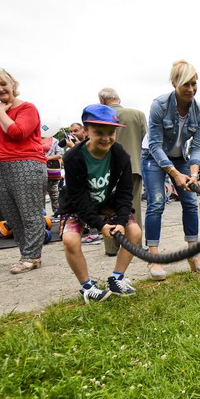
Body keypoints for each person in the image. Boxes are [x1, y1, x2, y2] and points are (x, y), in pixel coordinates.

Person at [60, 104, 142, 303]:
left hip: (107, 202)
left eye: (111, 132)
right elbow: (78, 197)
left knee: (135, 232)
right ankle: (87, 287)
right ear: (86, 131)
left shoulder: (120, 154)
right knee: (70, 240)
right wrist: (99, 225)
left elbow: (124, 193)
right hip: (78, 204)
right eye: (99, 133)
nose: (106, 138)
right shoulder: (73, 157)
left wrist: (121, 221)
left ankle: (117, 278)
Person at [141, 61, 200, 279]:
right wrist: (176, 175)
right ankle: (154, 259)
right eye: (186, 84)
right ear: (174, 83)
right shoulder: (159, 105)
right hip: (153, 156)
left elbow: (196, 146)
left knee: (190, 202)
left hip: (180, 158)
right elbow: (155, 145)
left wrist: (194, 173)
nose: (191, 89)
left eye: (194, 84)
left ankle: (192, 253)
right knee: (157, 202)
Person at [0, 68, 47, 274]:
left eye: (3, 83)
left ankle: (33, 256)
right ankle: (24, 253)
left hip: (26, 163)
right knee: (12, 216)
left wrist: (1, 112)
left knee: (30, 214)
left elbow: (18, 133)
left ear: (13, 84)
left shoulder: (27, 108)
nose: (0, 88)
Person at [99, 88, 147, 257]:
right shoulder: (137, 114)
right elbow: (145, 140)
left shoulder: (101, 114)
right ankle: (135, 244)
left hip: (106, 168)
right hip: (133, 166)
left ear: (102, 100)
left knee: (108, 208)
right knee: (133, 206)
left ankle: (111, 247)